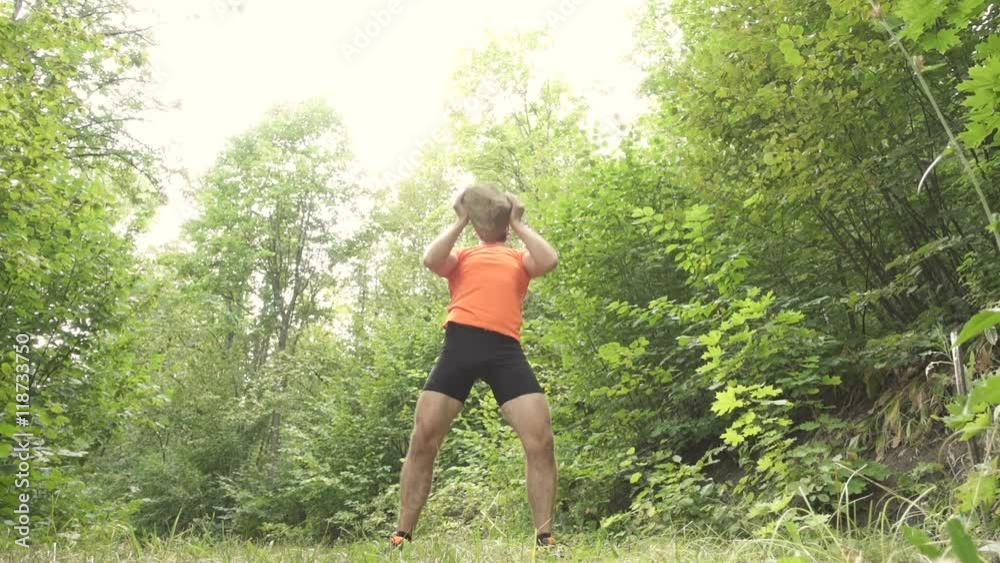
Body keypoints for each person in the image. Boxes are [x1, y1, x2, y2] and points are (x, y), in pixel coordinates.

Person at [389, 184, 560, 550]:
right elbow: (431, 259)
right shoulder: (462, 256)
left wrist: (517, 223)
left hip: (505, 351)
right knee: (423, 439)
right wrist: (461, 219)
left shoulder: (519, 259)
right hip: (460, 346)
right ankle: (402, 535)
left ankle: (545, 537)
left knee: (541, 441)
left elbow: (548, 259)